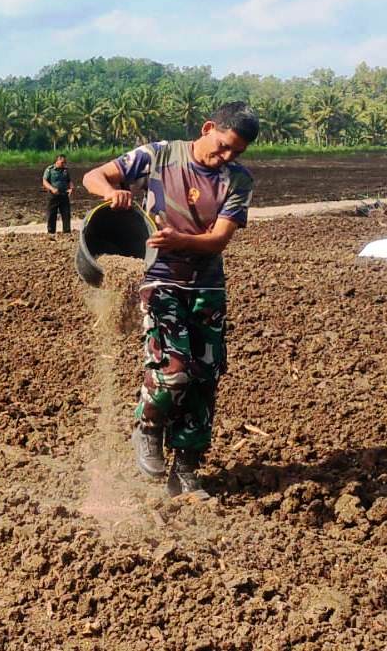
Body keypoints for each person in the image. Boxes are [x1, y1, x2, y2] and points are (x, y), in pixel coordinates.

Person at [81, 101, 260, 498]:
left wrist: (182, 241)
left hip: (207, 286)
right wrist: (114, 193)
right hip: (159, 278)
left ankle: (187, 468)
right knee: (173, 367)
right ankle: (147, 427)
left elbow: (219, 239)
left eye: (236, 152)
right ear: (208, 126)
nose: (226, 157)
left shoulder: (238, 180)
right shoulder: (158, 155)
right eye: (223, 146)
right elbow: (94, 176)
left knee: (204, 378)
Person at [42, 154, 74, 234]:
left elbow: (69, 181)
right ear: (57, 160)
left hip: (64, 195)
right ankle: (51, 231)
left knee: (66, 214)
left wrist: (71, 188)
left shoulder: (65, 170)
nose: (64, 164)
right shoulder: (50, 170)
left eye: (65, 162)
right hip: (53, 195)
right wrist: (52, 189)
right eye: (62, 162)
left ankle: (67, 232)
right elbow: (44, 181)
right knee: (52, 214)